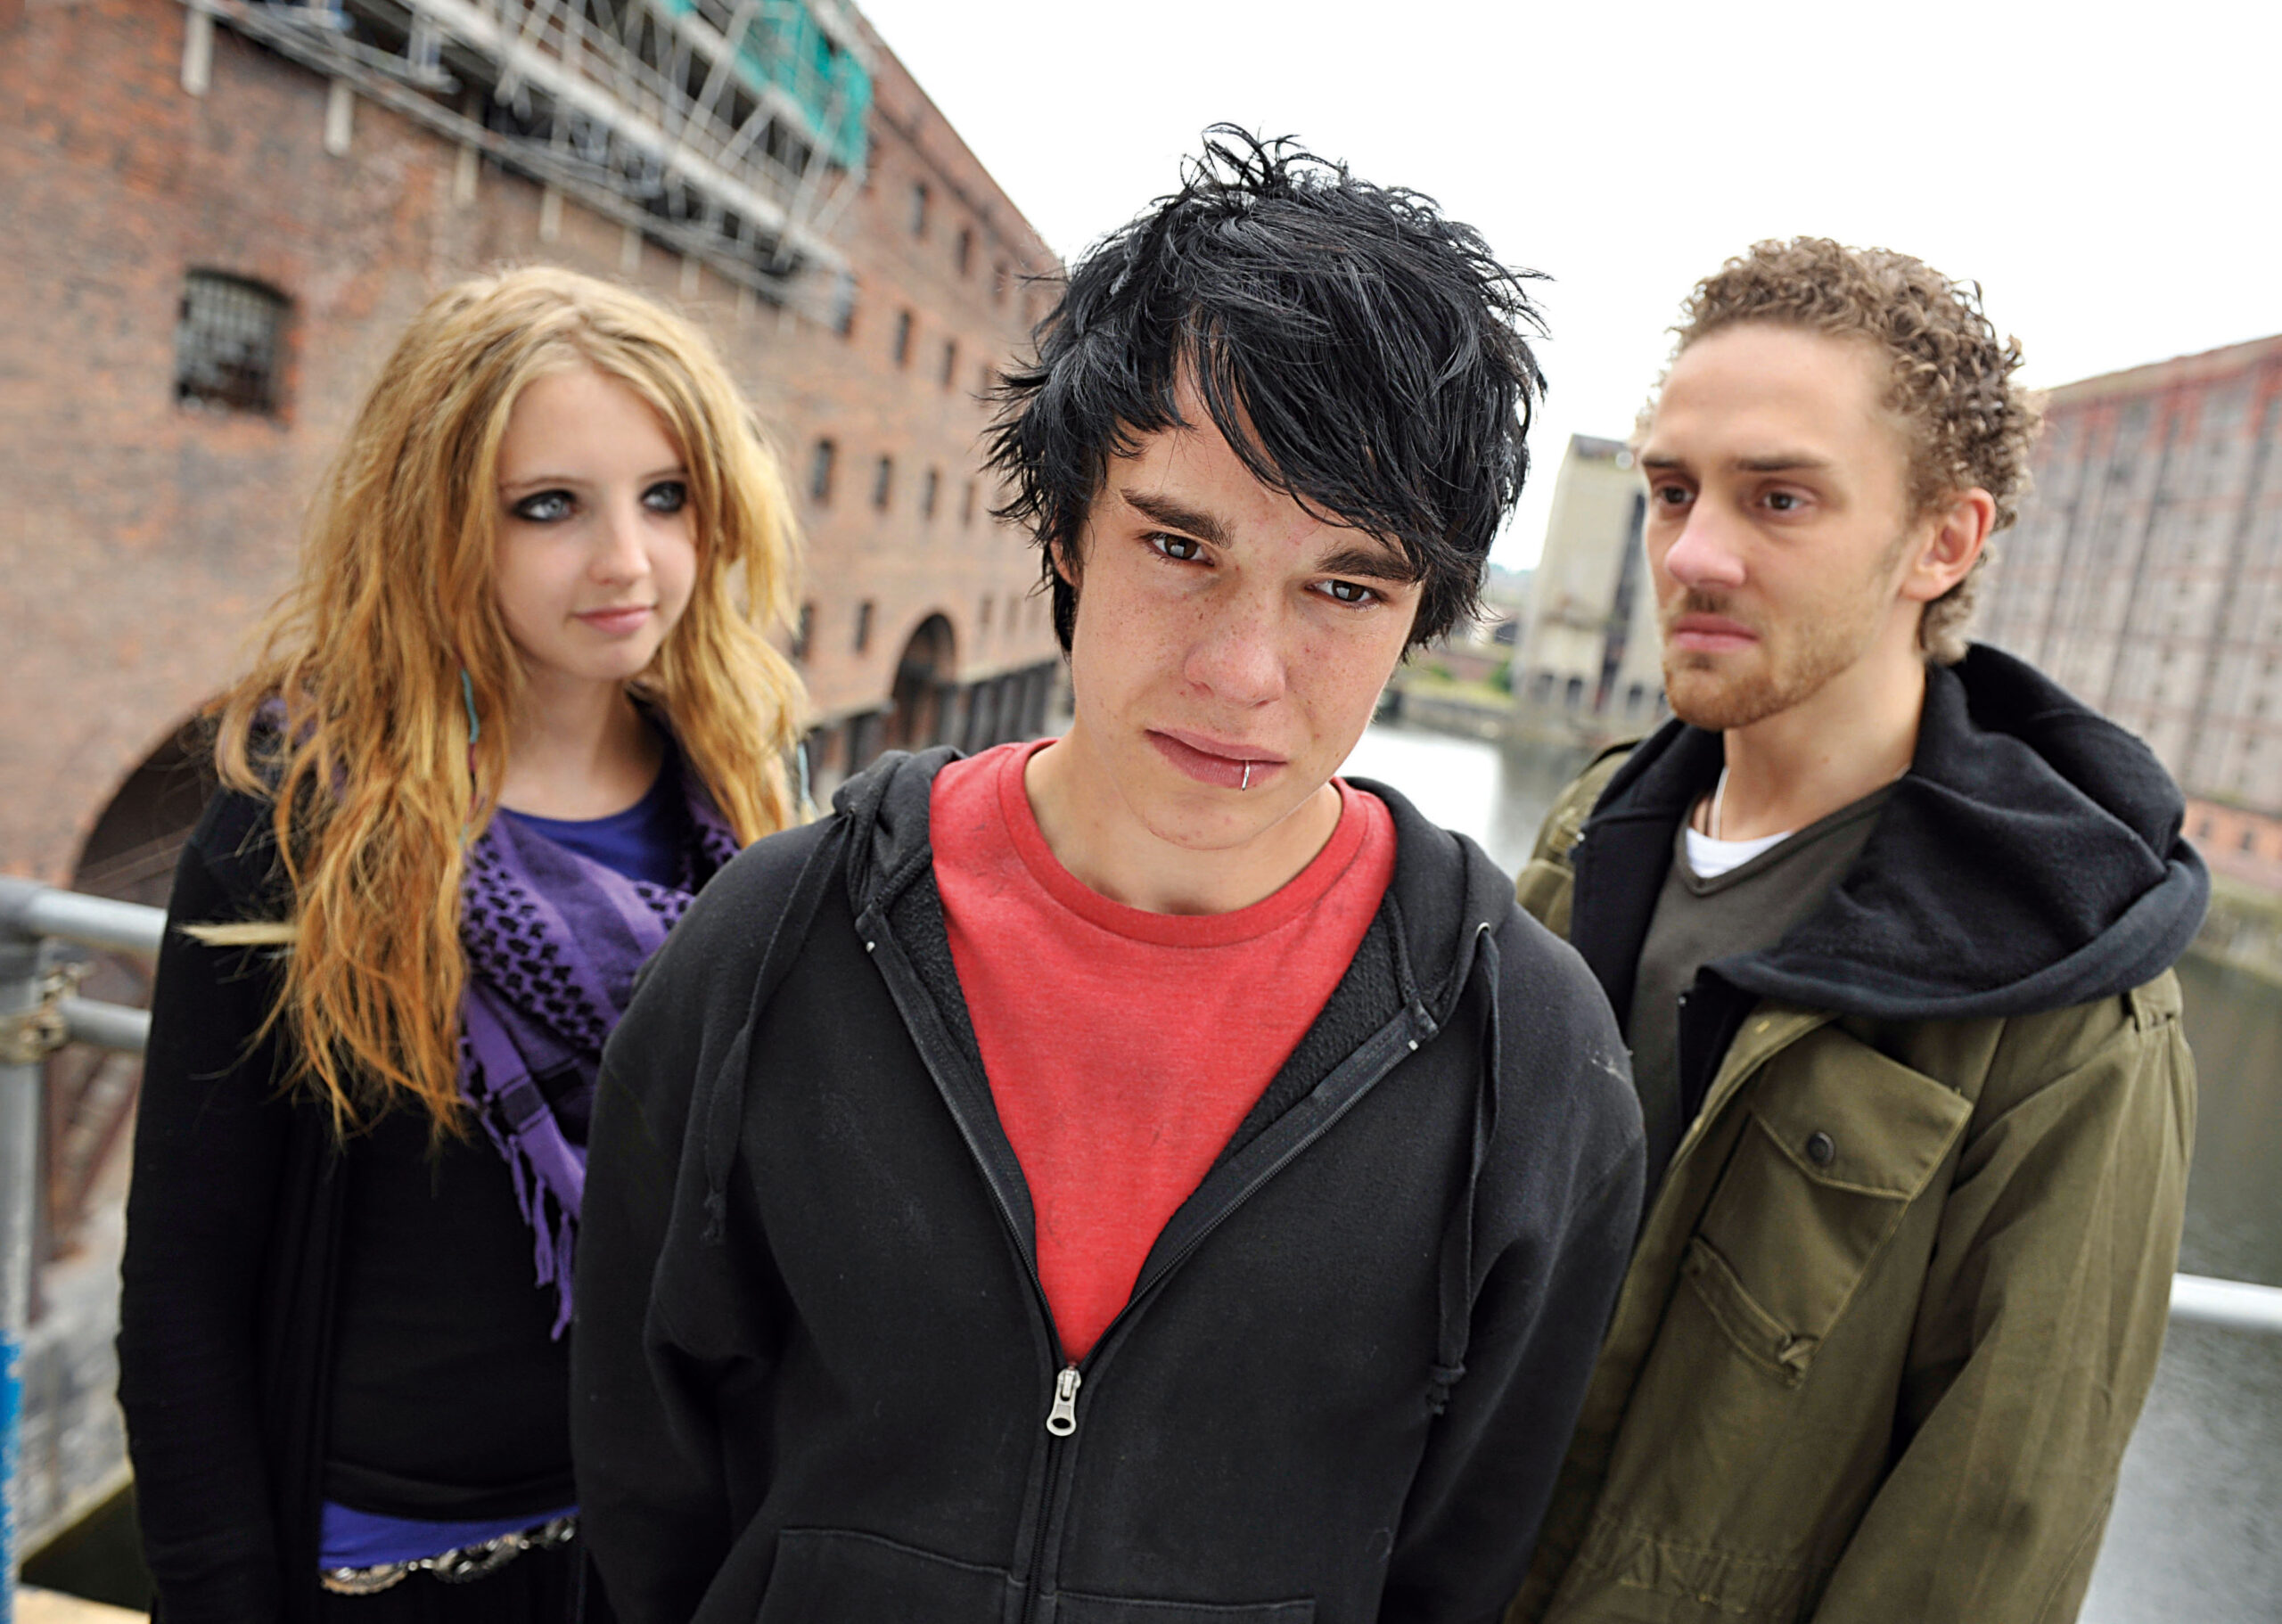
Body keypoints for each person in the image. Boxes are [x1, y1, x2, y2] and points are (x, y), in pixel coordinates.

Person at [571, 128, 1645, 1624]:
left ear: (1423, 612)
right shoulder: (780, 942)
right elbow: (644, 1472)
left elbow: (1453, 1562)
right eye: (1179, 544)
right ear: (1065, 526)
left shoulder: (1529, 1058)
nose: (1244, 672)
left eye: (1346, 585)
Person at [1506, 239, 2206, 1624]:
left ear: (1944, 541)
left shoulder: (2070, 1001)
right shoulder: (1594, 833)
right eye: (1670, 491)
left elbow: (1990, 1535)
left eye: (1779, 497)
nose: (1694, 551)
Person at [116, 266, 806, 1624]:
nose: (627, 559)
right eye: (549, 505)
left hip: (648, 1550)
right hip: (381, 1563)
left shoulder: (743, 810)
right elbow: (182, 1286)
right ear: (434, 523)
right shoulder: (304, 834)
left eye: (666, 496)